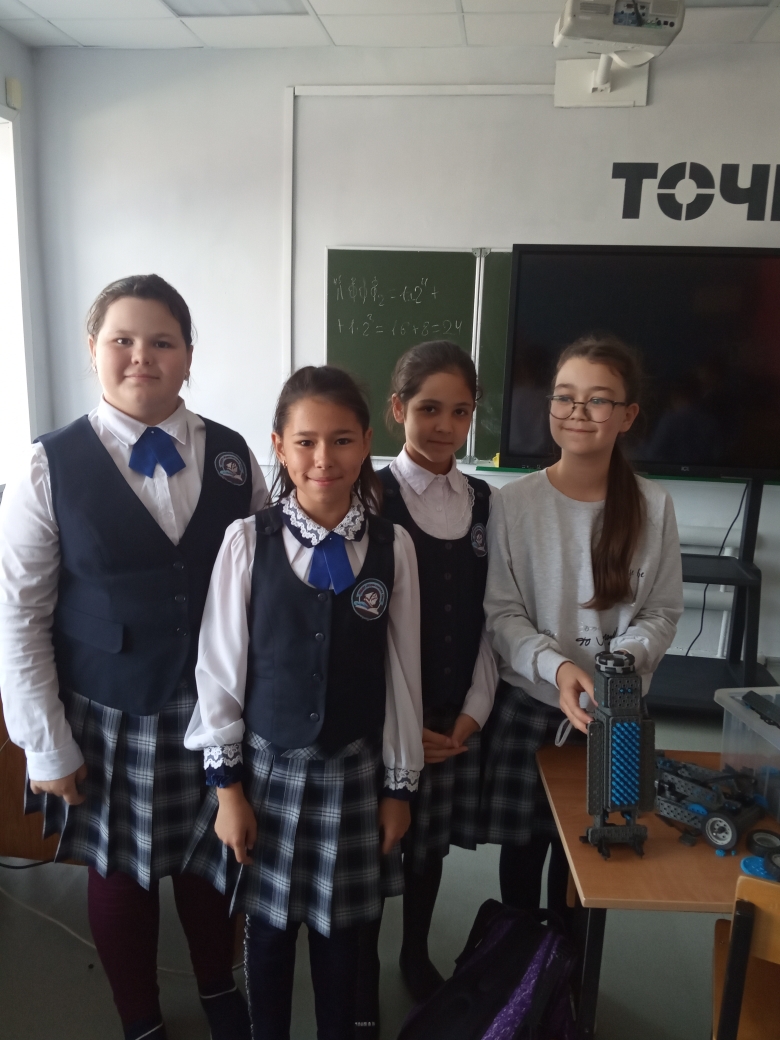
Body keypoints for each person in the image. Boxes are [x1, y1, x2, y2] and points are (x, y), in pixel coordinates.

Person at [0, 274, 268, 1040]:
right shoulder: (47, 466)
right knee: (122, 872)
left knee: (217, 857)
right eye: (122, 339)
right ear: (94, 350)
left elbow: (262, 583)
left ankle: (218, 986)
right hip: (110, 711)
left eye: (162, 342)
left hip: (220, 702)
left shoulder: (233, 455)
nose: (141, 356)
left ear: (188, 357)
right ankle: (140, 1017)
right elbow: (19, 615)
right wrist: (44, 743)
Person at [182, 365, 424, 1040]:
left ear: (368, 442)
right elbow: (219, 673)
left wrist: (399, 787)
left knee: (342, 936)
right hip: (267, 774)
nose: (325, 458)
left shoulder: (393, 546)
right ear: (279, 448)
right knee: (267, 935)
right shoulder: (246, 541)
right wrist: (228, 792)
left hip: (354, 773)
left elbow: (403, 675)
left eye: (342, 440)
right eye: (306, 442)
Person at [480, 334, 683, 921]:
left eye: (598, 400)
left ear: (627, 415)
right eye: (564, 397)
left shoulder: (653, 506)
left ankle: (568, 968)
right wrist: (559, 667)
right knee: (523, 857)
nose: (578, 412)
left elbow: (662, 611)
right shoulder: (512, 503)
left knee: (591, 864)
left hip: (615, 714)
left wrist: (623, 663)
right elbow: (502, 613)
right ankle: (522, 961)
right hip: (532, 708)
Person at [353, 341, 498, 1032]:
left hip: (451, 714)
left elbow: (493, 614)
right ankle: (361, 963)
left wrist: (474, 711)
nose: (444, 425)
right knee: (375, 842)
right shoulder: (368, 496)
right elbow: (359, 628)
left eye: (460, 412)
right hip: (383, 716)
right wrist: (399, 725)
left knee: (428, 846)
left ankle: (415, 951)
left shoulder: (486, 502)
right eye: (429, 408)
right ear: (397, 409)